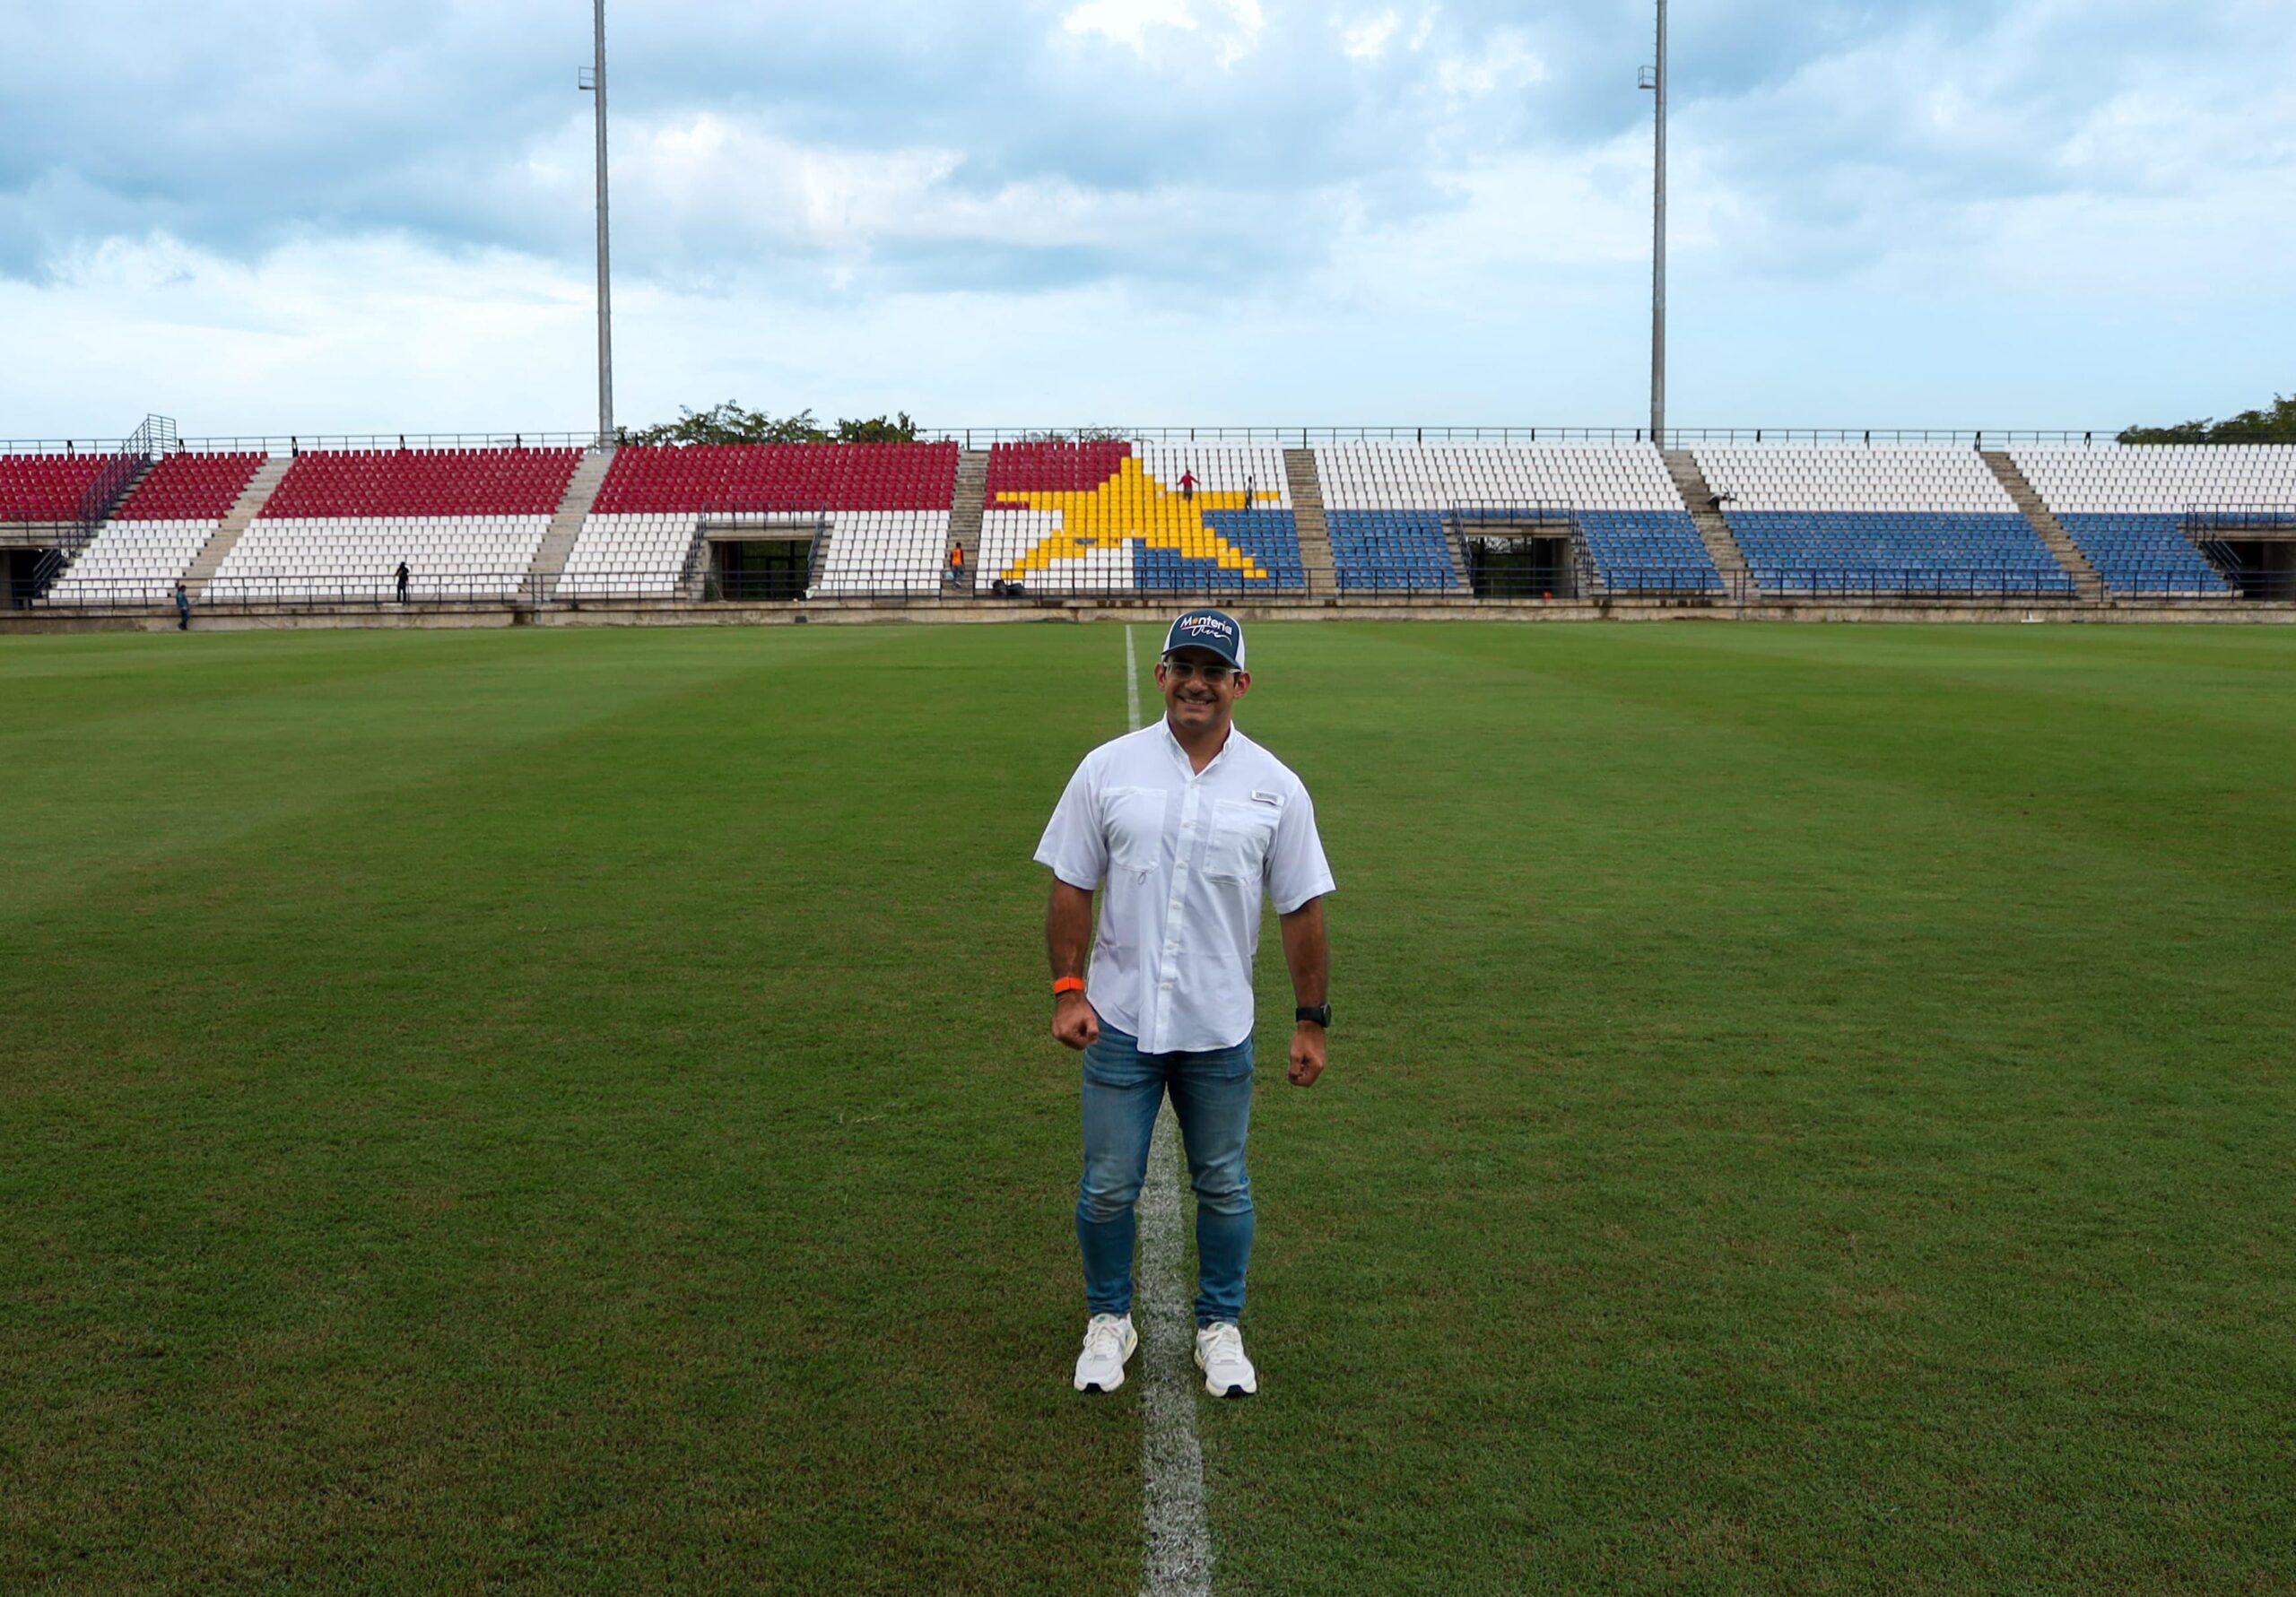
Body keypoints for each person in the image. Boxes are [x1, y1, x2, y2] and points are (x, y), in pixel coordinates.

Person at [1035, 608, 1334, 1399]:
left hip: (1217, 1024)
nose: (1197, 683)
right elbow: (1071, 881)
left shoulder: (1276, 787)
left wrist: (1312, 1019)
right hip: (1120, 1019)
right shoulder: (1107, 768)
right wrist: (1068, 990)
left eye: (1214, 670)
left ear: (1240, 683)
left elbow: (1301, 907)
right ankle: (1109, 1318)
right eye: (1184, 666)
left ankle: (1219, 1326)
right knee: (1105, 1184)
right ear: (1163, 673)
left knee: (1225, 1182)